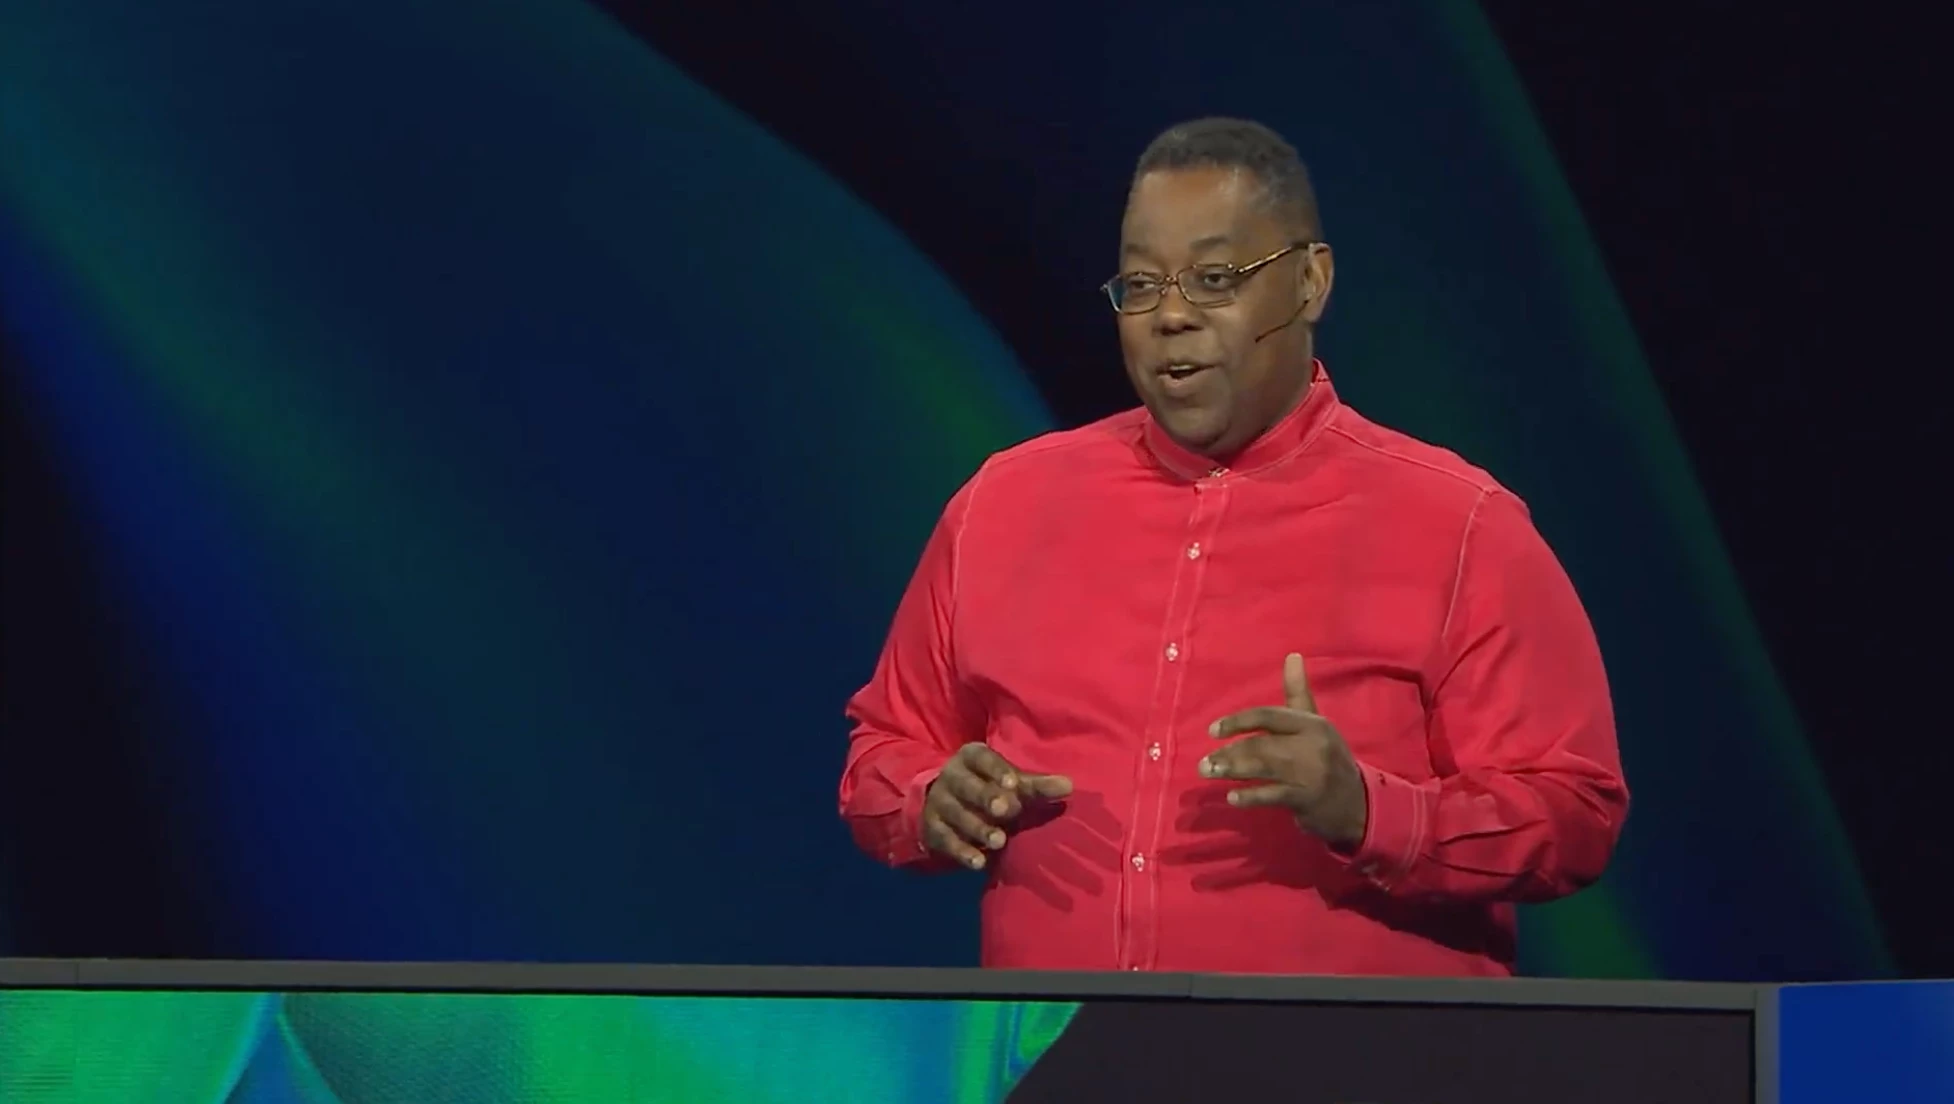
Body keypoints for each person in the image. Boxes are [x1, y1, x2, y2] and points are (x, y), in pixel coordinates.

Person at [838, 117, 1628, 976]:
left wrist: (1373, 813)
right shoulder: (1002, 504)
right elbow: (884, 751)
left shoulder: (1463, 525)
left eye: (1215, 279)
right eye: (1142, 285)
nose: (1172, 316)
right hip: (1065, 1043)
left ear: (1310, 282)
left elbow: (1573, 811)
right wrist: (932, 802)